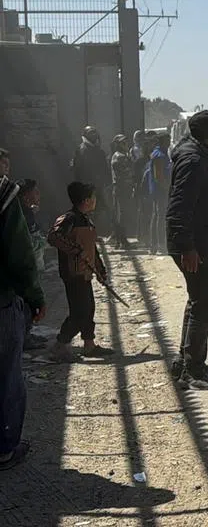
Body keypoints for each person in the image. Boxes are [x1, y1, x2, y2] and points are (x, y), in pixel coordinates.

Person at [167, 110, 208, 390]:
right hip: (194, 245)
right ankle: (191, 371)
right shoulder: (194, 160)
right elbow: (179, 207)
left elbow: (199, 191)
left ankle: (186, 362)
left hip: (199, 243)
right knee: (205, 303)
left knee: (198, 301)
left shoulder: (199, 155)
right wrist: (187, 247)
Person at [0, 173, 46, 470]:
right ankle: (4, 449)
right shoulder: (4, 195)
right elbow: (20, 255)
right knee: (6, 377)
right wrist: (35, 296)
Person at [46, 182, 115, 362]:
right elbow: (53, 237)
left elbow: (92, 249)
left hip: (85, 273)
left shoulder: (86, 220)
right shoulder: (69, 218)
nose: (95, 201)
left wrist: (101, 271)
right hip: (73, 273)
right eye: (93, 198)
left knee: (89, 308)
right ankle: (60, 345)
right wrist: (74, 250)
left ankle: (89, 345)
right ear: (85, 200)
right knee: (79, 312)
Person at [16, 180, 49, 351]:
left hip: (34, 263)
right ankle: (24, 336)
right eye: (35, 192)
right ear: (25, 195)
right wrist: (44, 242)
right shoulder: (21, 213)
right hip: (27, 265)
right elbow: (27, 241)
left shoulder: (27, 212)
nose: (39, 195)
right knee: (27, 300)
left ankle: (27, 333)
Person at [71, 127, 110, 229]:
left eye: (95, 133)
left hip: (98, 186)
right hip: (88, 187)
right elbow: (77, 169)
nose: (94, 135)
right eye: (91, 133)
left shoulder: (96, 150)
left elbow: (104, 168)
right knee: (88, 210)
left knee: (99, 209)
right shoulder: (81, 150)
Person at [147, 133, 173, 254]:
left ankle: (155, 245)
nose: (169, 143)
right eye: (167, 141)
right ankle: (160, 245)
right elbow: (159, 177)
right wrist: (167, 189)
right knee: (160, 217)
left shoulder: (161, 153)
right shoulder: (159, 155)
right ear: (161, 142)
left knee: (157, 215)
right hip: (160, 191)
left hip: (159, 191)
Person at [109, 135, 133, 248]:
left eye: (126, 142)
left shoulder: (123, 156)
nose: (126, 145)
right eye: (123, 143)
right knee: (121, 215)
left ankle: (120, 240)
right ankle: (121, 240)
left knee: (124, 214)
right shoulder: (119, 157)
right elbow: (124, 173)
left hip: (124, 188)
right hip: (121, 188)